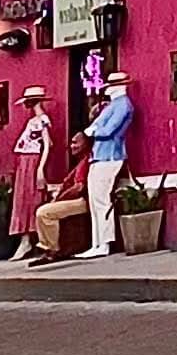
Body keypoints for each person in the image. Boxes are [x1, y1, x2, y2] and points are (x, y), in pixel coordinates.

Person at [77, 71, 134, 259]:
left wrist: (92, 131)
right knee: (95, 201)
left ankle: (105, 242)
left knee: (102, 200)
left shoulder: (123, 105)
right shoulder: (112, 106)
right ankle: (97, 242)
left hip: (111, 155)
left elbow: (110, 130)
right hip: (99, 156)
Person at [29, 132, 91, 265]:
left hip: (83, 201)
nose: (72, 146)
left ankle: (51, 250)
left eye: (76, 142)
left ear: (85, 144)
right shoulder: (80, 162)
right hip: (77, 200)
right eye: (71, 142)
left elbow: (79, 187)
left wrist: (59, 199)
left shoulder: (85, 162)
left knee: (44, 213)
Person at [8, 85, 52, 260]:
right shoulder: (33, 121)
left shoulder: (41, 120)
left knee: (31, 199)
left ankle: (30, 240)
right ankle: (26, 240)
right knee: (23, 199)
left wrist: (40, 168)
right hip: (24, 161)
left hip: (32, 161)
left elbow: (47, 144)